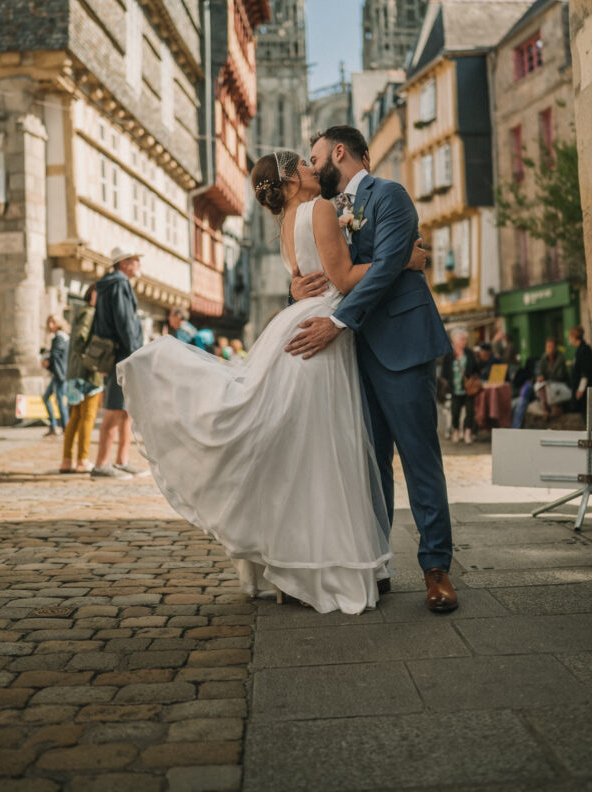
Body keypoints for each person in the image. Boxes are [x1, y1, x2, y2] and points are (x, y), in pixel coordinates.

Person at [117, 149, 426, 615]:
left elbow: (308, 277)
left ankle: (295, 569)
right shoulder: (320, 209)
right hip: (323, 330)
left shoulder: (286, 223)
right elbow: (343, 278)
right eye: (303, 164)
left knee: (299, 454)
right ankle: (324, 568)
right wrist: (402, 258)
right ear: (290, 178)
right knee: (325, 454)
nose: (312, 167)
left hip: (296, 324)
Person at [287, 126, 457, 614]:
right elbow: (323, 272)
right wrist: (295, 290)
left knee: (419, 460)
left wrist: (338, 321)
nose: (310, 164)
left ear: (339, 152)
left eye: (314, 156)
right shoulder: (325, 209)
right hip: (354, 357)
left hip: (401, 344)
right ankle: (376, 566)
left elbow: (383, 270)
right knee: (367, 466)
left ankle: (437, 570)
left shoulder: (390, 195)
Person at [91, 248, 145, 479]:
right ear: (123, 263)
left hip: (117, 352)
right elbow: (125, 322)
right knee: (114, 410)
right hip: (123, 354)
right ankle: (101, 464)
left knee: (125, 410)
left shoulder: (108, 284)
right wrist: (135, 353)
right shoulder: (119, 284)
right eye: (135, 260)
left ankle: (122, 461)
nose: (139, 264)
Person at [60, 285, 103, 473]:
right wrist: (93, 361)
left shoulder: (80, 311)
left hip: (75, 372)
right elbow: (80, 340)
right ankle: (82, 460)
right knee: (88, 417)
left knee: (75, 417)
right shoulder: (90, 312)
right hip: (87, 373)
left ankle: (67, 460)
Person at [439, 329, 480, 444]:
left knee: (470, 411)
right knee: (455, 411)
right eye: (462, 339)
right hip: (454, 388)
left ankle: (467, 433)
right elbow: (444, 373)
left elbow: (476, 369)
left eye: (465, 339)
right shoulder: (449, 355)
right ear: (454, 341)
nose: (464, 341)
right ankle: (456, 431)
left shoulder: (469, 353)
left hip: (468, 388)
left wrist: (472, 378)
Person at [41, 315, 70, 437]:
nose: (50, 325)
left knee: (60, 401)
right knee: (49, 398)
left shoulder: (59, 337)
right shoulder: (63, 337)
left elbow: (56, 356)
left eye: (53, 322)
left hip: (60, 374)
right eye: (49, 322)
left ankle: (65, 428)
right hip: (60, 374)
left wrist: (47, 362)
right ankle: (55, 426)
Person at [568, 325, 592, 429]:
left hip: (587, 391)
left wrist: (580, 389)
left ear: (574, 337)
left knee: (590, 416)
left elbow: (585, 372)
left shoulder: (584, 350)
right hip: (585, 390)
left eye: (570, 337)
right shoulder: (581, 350)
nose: (569, 340)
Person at [532, 337, 571, 419]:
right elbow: (540, 371)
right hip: (547, 382)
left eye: (551, 347)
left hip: (560, 382)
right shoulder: (544, 358)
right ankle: (546, 408)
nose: (549, 349)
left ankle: (558, 408)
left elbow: (560, 375)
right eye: (547, 347)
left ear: (555, 348)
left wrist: (546, 377)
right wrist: (540, 376)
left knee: (550, 387)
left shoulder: (560, 358)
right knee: (539, 386)